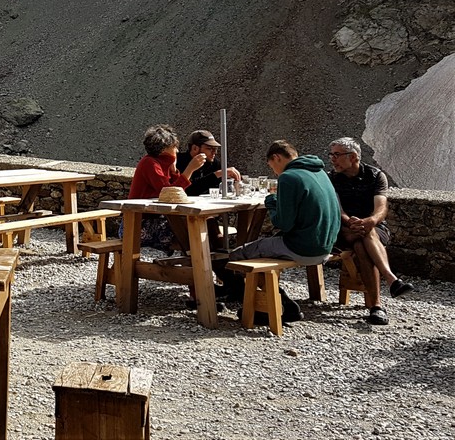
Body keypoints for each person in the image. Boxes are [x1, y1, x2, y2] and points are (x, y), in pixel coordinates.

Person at [218, 140, 341, 323]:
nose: (274, 172)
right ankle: (273, 302)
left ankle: (278, 305)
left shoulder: (289, 177)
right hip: (326, 245)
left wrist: (272, 203)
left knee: (238, 254)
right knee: (260, 249)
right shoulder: (319, 172)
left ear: (276, 158)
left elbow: (283, 224)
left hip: (303, 247)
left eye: (272, 166)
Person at [327, 136, 414, 326]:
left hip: (372, 229)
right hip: (345, 229)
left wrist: (370, 220)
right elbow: (337, 209)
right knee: (363, 235)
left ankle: (376, 306)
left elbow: (381, 208)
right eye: (331, 155)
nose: (332, 159)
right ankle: (391, 281)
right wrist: (351, 222)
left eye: (337, 155)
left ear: (354, 157)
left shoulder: (375, 175)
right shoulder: (331, 178)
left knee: (362, 242)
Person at [127, 125, 207, 251]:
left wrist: (175, 172)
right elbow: (170, 195)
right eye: (174, 147)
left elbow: (176, 193)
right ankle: (201, 265)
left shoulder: (162, 164)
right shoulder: (150, 163)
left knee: (206, 224)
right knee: (193, 232)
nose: (177, 151)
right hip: (140, 223)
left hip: (156, 218)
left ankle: (212, 261)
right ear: (164, 149)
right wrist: (189, 169)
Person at [176, 130, 241, 196]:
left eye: (215, 149)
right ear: (195, 148)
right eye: (209, 148)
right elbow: (188, 190)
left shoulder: (214, 163)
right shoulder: (178, 162)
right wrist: (217, 174)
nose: (214, 152)